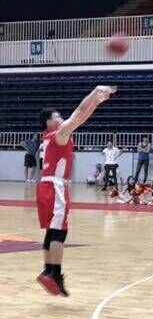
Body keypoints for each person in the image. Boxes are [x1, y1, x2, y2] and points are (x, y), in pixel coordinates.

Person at [36, 85, 117, 297]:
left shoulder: (49, 136)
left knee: (52, 230)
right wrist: (94, 93)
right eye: (57, 116)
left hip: (44, 185)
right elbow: (78, 114)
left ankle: (49, 271)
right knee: (60, 231)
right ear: (49, 122)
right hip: (55, 186)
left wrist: (96, 102)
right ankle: (54, 274)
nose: (61, 117)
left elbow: (80, 119)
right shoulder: (59, 134)